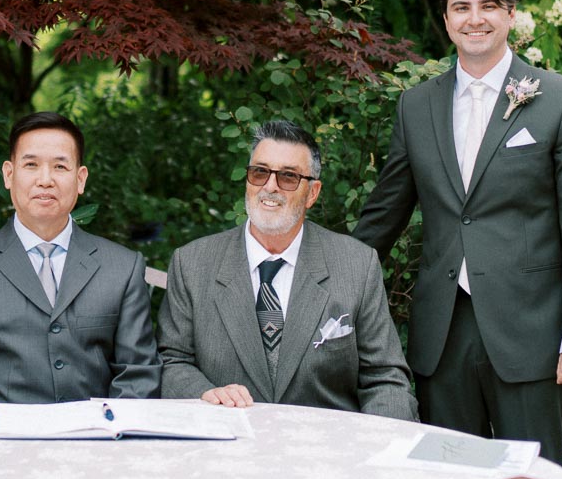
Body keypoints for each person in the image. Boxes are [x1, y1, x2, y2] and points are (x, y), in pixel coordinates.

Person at [351, 0, 562, 464]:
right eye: (461, 8)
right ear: (446, 21)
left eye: (488, 6)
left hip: (531, 333)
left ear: (510, 15)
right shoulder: (415, 106)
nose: (475, 19)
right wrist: (322, 286)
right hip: (441, 334)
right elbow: (383, 215)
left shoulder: (559, 100)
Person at [158, 119, 418, 419]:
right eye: (260, 172)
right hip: (228, 448)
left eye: (288, 177)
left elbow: (385, 379)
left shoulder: (356, 265)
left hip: (327, 453)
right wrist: (204, 393)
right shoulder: (192, 264)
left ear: (312, 193)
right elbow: (171, 362)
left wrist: (377, 448)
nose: (270, 186)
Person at [0, 111, 160, 419]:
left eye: (60, 166)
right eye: (31, 165)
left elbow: (138, 375)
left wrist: (108, 439)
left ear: (80, 178)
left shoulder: (122, 268)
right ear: (8, 174)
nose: (45, 180)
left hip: (95, 448)